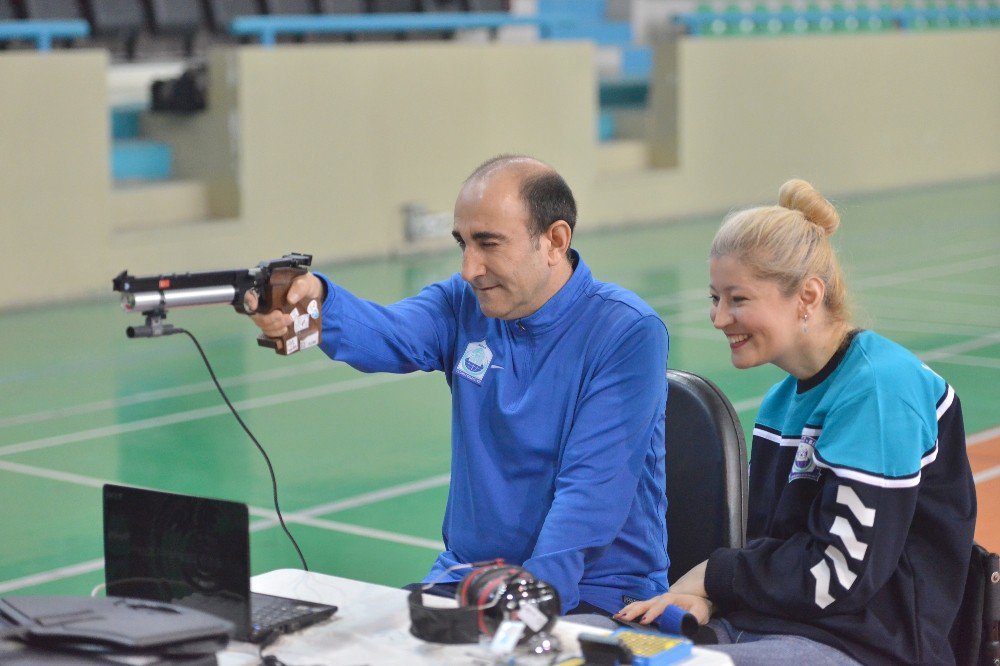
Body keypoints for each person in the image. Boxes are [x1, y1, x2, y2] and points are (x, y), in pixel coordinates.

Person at [251, 155, 670, 615]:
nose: (470, 268)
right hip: (468, 578)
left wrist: (528, 607)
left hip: (596, 594)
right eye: (463, 244)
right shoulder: (462, 303)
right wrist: (318, 304)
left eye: (488, 244)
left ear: (554, 240)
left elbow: (590, 494)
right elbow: (387, 335)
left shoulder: (627, 331)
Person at [616, 179, 977, 664]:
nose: (719, 318)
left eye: (737, 299)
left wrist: (712, 577)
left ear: (807, 296)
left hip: (866, 646)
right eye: (714, 298)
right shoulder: (783, 400)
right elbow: (769, 547)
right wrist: (704, 598)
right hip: (768, 626)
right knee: (613, 651)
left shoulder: (879, 390)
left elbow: (839, 577)